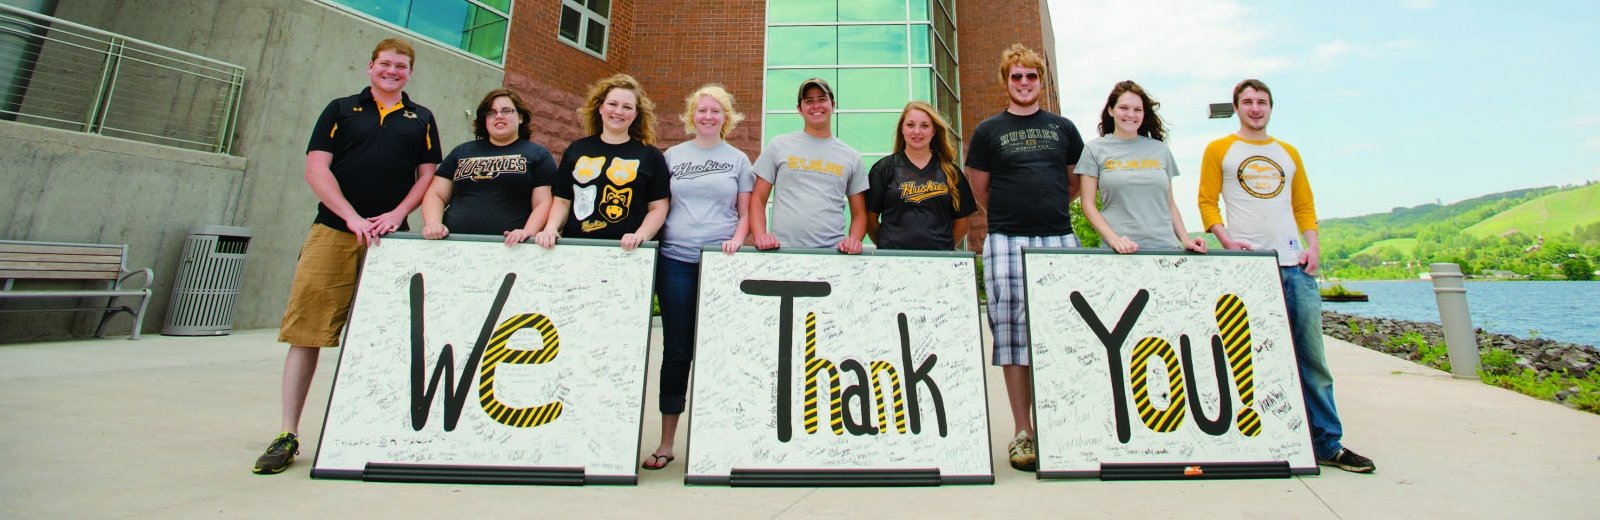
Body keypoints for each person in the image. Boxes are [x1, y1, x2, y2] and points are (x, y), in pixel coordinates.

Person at [254, 38, 441, 475]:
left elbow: (428, 177)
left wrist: (396, 214)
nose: (392, 71)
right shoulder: (340, 110)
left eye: (401, 66)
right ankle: (287, 433)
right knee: (308, 333)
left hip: (390, 242)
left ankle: (374, 429)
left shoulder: (422, 118)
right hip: (333, 232)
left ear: (409, 74)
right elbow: (316, 169)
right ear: (370, 67)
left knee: (387, 339)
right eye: (385, 64)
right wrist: (352, 217)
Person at [1198, 79, 1376, 474]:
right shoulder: (1220, 150)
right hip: (1248, 268)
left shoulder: (1288, 153)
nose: (1255, 108)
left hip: (1295, 267)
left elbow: (1304, 205)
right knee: (1246, 357)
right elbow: (1207, 202)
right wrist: (1226, 240)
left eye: (1262, 102)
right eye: (1248, 102)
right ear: (1237, 107)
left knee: (1312, 359)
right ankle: (1257, 436)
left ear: (1270, 107)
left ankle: (1327, 442)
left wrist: (1313, 246)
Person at [964, 43, 1085, 471]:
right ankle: (1023, 432)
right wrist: (1014, 211)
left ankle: (1062, 424)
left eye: (1031, 76)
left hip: (1057, 238)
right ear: (1006, 81)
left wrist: (1045, 206)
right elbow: (981, 190)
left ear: (1040, 81)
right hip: (1005, 240)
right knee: (1013, 335)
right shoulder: (987, 131)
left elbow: (1074, 184)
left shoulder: (1064, 128)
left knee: (1060, 331)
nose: (1024, 83)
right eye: (1016, 76)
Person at [641, 84, 753, 470]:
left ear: (727, 118)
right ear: (691, 115)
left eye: (716, 111)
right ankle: (667, 441)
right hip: (676, 261)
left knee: (720, 349)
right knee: (676, 350)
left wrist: (738, 241)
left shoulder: (738, 160)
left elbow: (745, 214)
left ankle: (718, 439)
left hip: (719, 264)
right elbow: (659, 205)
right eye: (702, 110)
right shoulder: (672, 157)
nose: (708, 116)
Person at [535, 74, 670, 250]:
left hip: (628, 253)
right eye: (612, 104)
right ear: (600, 108)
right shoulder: (576, 150)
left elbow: (659, 208)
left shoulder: (651, 156)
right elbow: (562, 200)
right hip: (575, 249)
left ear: (636, 114)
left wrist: (640, 236)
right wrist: (551, 228)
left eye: (627, 107)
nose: (618, 112)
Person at [1077, 81, 1206, 254]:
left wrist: (1185, 239)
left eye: (1137, 109)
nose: (1131, 114)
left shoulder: (1160, 150)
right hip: (1119, 251)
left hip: (1166, 248)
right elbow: (1087, 205)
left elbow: (1170, 204)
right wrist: (1115, 240)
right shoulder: (1094, 150)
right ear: (1111, 110)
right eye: (1124, 108)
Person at [419, 88, 557, 245]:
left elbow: (543, 202)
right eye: (491, 112)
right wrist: (433, 223)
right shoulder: (461, 151)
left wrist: (527, 232)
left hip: (510, 248)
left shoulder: (538, 155)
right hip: (453, 245)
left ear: (520, 117)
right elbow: (436, 194)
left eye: (506, 111)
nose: (498, 116)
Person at [749, 78, 868, 254]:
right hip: (782, 253)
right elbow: (758, 199)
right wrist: (760, 236)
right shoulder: (778, 146)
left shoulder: (852, 157)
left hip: (832, 255)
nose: (816, 105)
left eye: (822, 99)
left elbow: (859, 214)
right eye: (809, 101)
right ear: (799, 108)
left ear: (833, 104)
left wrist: (853, 240)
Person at [865, 101, 976, 250]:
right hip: (893, 263)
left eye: (924, 126)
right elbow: (870, 221)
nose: (917, 131)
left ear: (934, 131)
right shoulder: (883, 169)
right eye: (910, 125)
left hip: (939, 263)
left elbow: (962, 224)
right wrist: (888, 246)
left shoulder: (951, 173)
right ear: (902, 129)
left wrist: (942, 248)